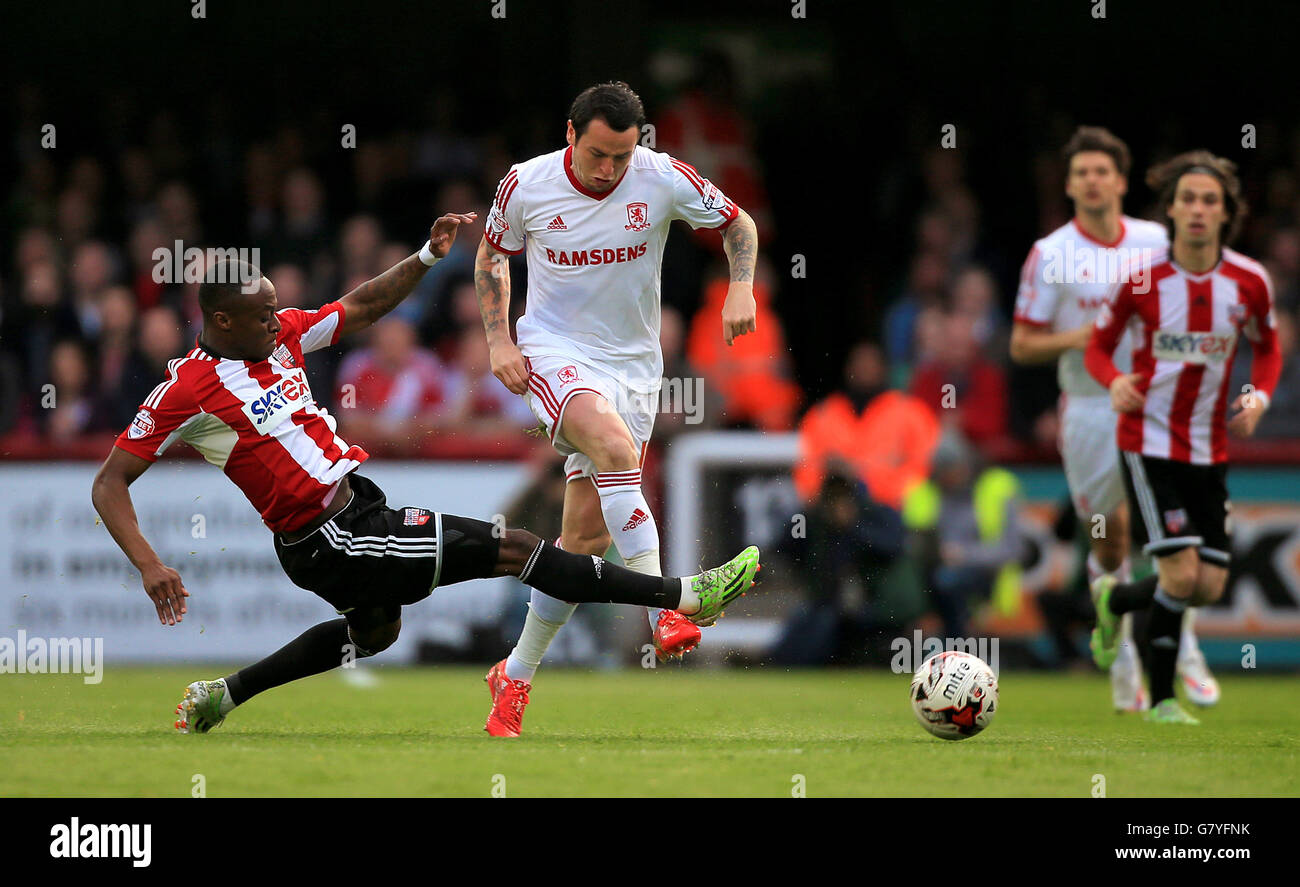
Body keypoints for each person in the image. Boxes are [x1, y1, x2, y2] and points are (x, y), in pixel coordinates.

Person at [89, 215, 761, 736]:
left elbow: (360, 308)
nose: (277, 319)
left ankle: (224, 695)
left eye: (276, 310)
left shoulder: (281, 335)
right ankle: (679, 595)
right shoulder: (188, 390)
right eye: (263, 314)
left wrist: (427, 257)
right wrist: (150, 564)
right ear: (222, 320)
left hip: (349, 516)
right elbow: (109, 482)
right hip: (331, 536)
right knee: (519, 548)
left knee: (374, 634)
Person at [474, 81, 761, 737]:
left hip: (634, 367)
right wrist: (498, 338)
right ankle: (665, 606)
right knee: (610, 446)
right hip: (552, 350)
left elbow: (738, 222)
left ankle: (513, 677)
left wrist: (739, 288)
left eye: (621, 157)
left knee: (581, 540)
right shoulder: (527, 184)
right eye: (598, 154)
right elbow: (492, 253)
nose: (608, 170)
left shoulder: (660, 177)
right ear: (571, 135)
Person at [1009, 126, 1212, 712]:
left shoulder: (1155, 241)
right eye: (1081, 173)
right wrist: (1086, 336)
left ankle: (1184, 655)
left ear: (1121, 181)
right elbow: (1022, 345)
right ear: (1070, 186)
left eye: (1103, 171)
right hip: (1091, 410)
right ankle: (1121, 657)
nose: (1093, 181)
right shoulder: (1051, 254)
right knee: (1110, 538)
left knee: (1180, 530)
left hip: (1156, 402)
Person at [1085, 150, 1281, 724]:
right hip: (1147, 443)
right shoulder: (1143, 280)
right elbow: (1098, 347)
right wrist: (1115, 379)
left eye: (1209, 201)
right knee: (1179, 575)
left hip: (1208, 449)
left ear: (1226, 214)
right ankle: (1163, 701)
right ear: (1170, 209)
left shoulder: (1249, 282)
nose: (1197, 210)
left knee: (1209, 587)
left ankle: (1114, 599)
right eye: (1187, 199)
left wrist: (1258, 396)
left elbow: (1267, 348)